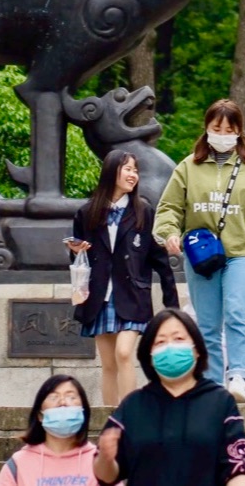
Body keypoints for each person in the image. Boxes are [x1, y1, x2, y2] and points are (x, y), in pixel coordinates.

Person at [156, 99, 245, 403]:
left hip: (240, 251)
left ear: (239, 131)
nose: (223, 133)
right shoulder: (188, 166)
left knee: (237, 311)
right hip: (201, 255)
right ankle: (213, 382)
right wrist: (169, 233)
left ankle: (238, 375)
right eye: (218, 128)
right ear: (207, 128)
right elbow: (169, 207)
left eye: (230, 129)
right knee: (208, 320)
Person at [67, 150, 179, 406]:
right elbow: (79, 262)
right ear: (112, 172)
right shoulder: (87, 213)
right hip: (99, 297)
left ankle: (130, 416)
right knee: (108, 364)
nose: (133, 175)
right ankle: (109, 420)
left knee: (124, 353)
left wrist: (172, 308)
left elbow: (160, 262)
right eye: (128, 169)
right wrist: (75, 253)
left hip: (132, 296)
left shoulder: (144, 212)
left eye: (135, 170)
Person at [94, 309, 245, 486]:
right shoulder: (134, 405)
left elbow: (238, 468)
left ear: (197, 349)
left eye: (179, 339)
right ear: (149, 355)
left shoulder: (220, 402)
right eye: (160, 342)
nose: (170, 347)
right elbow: (105, 476)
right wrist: (106, 459)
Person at [0, 375, 96, 486]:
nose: (62, 402)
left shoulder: (100, 463)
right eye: (53, 397)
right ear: (40, 415)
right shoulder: (17, 465)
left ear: (83, 411)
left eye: (71, 397)